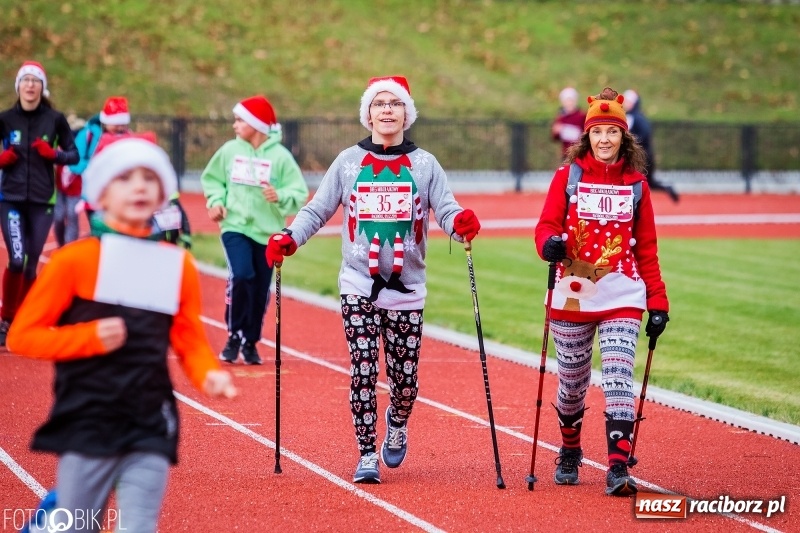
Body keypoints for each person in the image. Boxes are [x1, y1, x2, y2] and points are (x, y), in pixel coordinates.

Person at [6, 133, 237, 533]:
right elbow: (22, 336)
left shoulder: (176, 264)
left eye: (150, 178)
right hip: (87, 419)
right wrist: (88, 337)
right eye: (126, 178)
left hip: (150, 419)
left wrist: (208, 374)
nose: (140, 187)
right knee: (78, 527)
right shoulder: (74, 261)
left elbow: (188, 337)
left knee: (138, 527)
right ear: (101, 193)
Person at [266, 76, 482, 484]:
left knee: (405, 381)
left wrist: (461, 225)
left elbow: (447, 210)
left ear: (407, 113)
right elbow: (318, 209)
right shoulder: (348, 161)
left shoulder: (425, 164)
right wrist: (290, 237)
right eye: (379, 103)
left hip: (408, 290)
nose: (387, 110)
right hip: (357, 285)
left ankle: (397, 421)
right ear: (367, 113)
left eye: (395, 104)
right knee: (363, 369)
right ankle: (366, 453)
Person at [534, 87, 669, 496]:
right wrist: (549, 245)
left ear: (624, 137)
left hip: (622, 294)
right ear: (587, 137)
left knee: (617, 376)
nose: (605, 139)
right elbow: (544, 227)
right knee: (572, 382)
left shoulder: (637, 186)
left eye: (613, 132)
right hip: (573, 292)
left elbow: (647, 250)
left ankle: (617, 465)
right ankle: (571, 449)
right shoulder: (568, 176)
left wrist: (657, 303)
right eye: (598, 132)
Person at [201, 95, 308, 365]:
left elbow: (299, 192)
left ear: (257, 125)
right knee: (242, 275)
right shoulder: (229, 151)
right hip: (234, 226)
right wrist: (215, 202)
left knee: (260, 288)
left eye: (240, 120)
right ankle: (233, 335)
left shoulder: (281, 157)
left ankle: (250, 342)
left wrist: (280, 195)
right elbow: (212, 179)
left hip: (268, 232)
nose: (235, 125)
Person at [0, 61, 79, 347]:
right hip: (10, 199)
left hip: (43, 200)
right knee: (16, 259)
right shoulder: (5, 119)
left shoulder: (55, 119)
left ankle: (25, 319)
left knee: (31, 265)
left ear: (42, 87)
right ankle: (7, 318)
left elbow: (74, 155)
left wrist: (53, 154)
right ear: (18, 86)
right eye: (25, 80)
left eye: (36, 81)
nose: (30, 85)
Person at [71, 95, 132, 222]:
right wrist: (95, 169)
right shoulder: (89, 134)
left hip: (122, 196)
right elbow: (74, 159)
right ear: (106, 121)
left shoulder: (129, 138)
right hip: (95, 196)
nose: (120, 128)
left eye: (123, 124)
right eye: (116, 124)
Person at [622, 89, 679, 203]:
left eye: (627, 101)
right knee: (644, 183)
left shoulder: (637, 117)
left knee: (640, 182)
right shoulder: (632, 116)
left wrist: (631, 143)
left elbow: (644, 134)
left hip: (642, 157)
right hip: (639, 156)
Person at [53, 114, 86, 247]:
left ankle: (68, 247)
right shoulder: (61, 142)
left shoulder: (83, 143)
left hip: (75, 189)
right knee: (58, 217)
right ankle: (61, 245)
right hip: (60, 188)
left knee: (72, 216)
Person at [551, 87, 587, 160]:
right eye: (567, 101)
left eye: (571, 100)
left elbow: (585, 133)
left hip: (580, 152)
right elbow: (555, 136)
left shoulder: (582, 115)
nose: (569, 103)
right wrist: (556, 131)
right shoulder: (560, 117)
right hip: (566, 153)